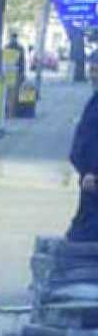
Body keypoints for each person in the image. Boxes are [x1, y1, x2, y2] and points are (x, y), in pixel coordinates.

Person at [68, 50, 98, 241]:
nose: (93, 75)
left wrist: (93, 172)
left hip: (93, 179)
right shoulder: (95, 99)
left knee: (85, 236)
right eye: (91, 70)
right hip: (88, 178)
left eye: (96, 70)